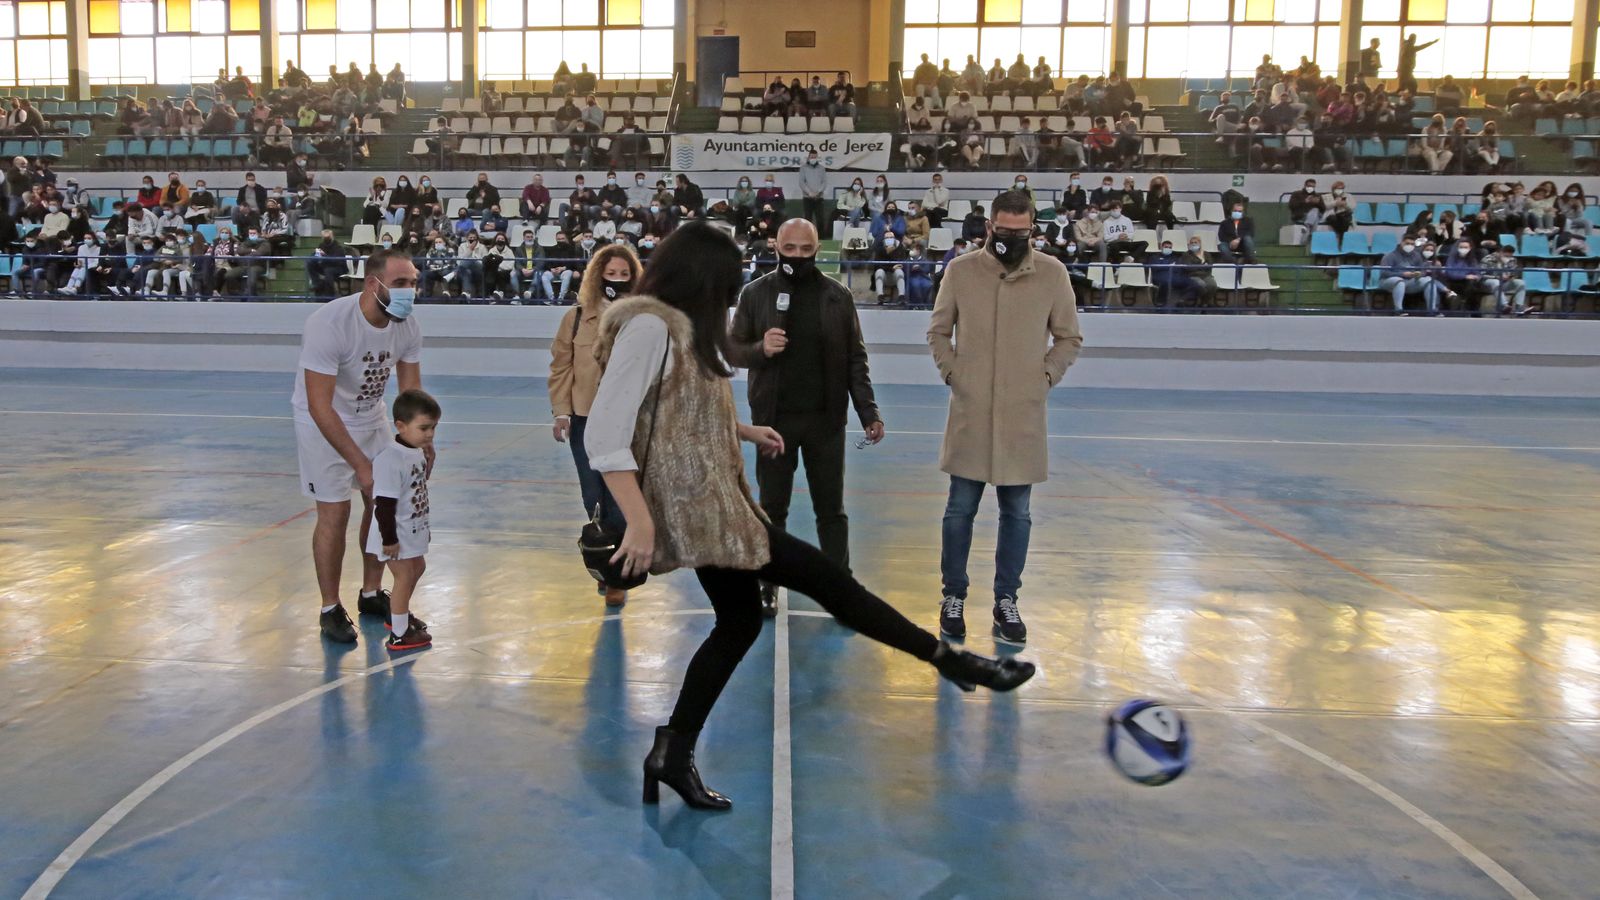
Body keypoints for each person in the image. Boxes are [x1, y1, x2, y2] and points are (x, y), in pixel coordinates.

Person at [584, 223, 1034, 811]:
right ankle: (949, 660)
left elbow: (674, 409)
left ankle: (671, 752)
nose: (731, 295)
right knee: (829, 581)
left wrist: (743, 430)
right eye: (726, 282)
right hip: (703, 511)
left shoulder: (678, 328)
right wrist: (641, 523)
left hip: (714, 502)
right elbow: (604, 434)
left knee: (740, 623)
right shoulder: (649, 329)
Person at [928, 190, 1082, 644]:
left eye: (1021, 231)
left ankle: (1006, 600)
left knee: (1017, 512)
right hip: (971, 409)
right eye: (1003, 230)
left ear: (1032, 228)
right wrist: (953, 373)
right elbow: (938, 330)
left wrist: (1044, 377)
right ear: (989, 226)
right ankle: (953, 596)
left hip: (1022, 413)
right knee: (960, 509)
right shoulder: (960, 271)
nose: (1011, 238)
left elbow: (1069, 337)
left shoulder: (1052, 274)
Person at [727, 217, 884, 613]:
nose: (797, 255)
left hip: (825, 421)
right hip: (772, 422)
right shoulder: (755, 294)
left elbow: (855, 358)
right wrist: (760, 349)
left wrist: (868, 410)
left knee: (831, 510)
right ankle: (767, 583)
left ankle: (841, 588)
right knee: (771, 509)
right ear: (775, 246)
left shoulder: (837, 296)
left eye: (805, 249)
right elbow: (733, 349)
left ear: (817, 249)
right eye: (790, 248)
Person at [290, 248, 427, 644]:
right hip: (323, 422)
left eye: (413, 283)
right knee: (335, 512)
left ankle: (371, 592)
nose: (409, 291)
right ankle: (329, 607)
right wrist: (362, 467)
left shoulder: (407, 325)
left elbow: (411, 393)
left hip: (372, 418)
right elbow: (319, 405)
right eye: (400, 283)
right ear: (373, 283)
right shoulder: (329, 324)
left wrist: (418, 442)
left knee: (382, 503)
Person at [551, 243, 642, 606]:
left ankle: (617, 575)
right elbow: (561, 366)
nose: (617, 280)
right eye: (610, 273)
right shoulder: (575, 318)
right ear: (597, 276)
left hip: (627, 419)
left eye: (624, 274)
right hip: (584, 418)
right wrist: (561, 411)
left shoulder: (643, 319)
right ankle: (604, 559)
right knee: (593, 496)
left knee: (621, 498)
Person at [365, 388, 438, 652]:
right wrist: (389, 539)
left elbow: (416, 494)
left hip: (410, 529)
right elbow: (384, 506)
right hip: (393, 533)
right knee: (404, 575)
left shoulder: (416, 452)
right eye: (424, 428)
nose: (430, 434)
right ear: (401, 426)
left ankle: (399, 614)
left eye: (433, 428)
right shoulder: (390, 460)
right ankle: (398, 633)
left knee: (418, 568)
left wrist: (422, 528)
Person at [1379, 235, 1445, 315]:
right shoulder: (1390, 256)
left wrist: (1419, 274)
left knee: (1429, 280)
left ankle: (1432, 310)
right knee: (1399, 281)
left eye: (1412, 244)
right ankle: (1398, 310)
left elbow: (1422, 270)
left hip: (1410, 281)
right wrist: (1402, 274)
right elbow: (1384, 273)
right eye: (1407, 243)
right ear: (1401, 243)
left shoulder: (1417, 256)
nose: (1409, 246)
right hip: (1388, 281)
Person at [798, 151, 827, 234]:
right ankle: (807, 235)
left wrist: (818, 192)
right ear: (808, 157)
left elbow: (824, 182)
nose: (813, 158)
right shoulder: (803, 168)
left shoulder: (822, 168)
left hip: (819, 197)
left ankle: (821, 237)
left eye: (815, 157)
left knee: (820, 218)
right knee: (807, 218)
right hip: (807, 198)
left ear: (817, 158)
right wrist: (809, 192)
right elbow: (801, 182)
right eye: (812, 157)